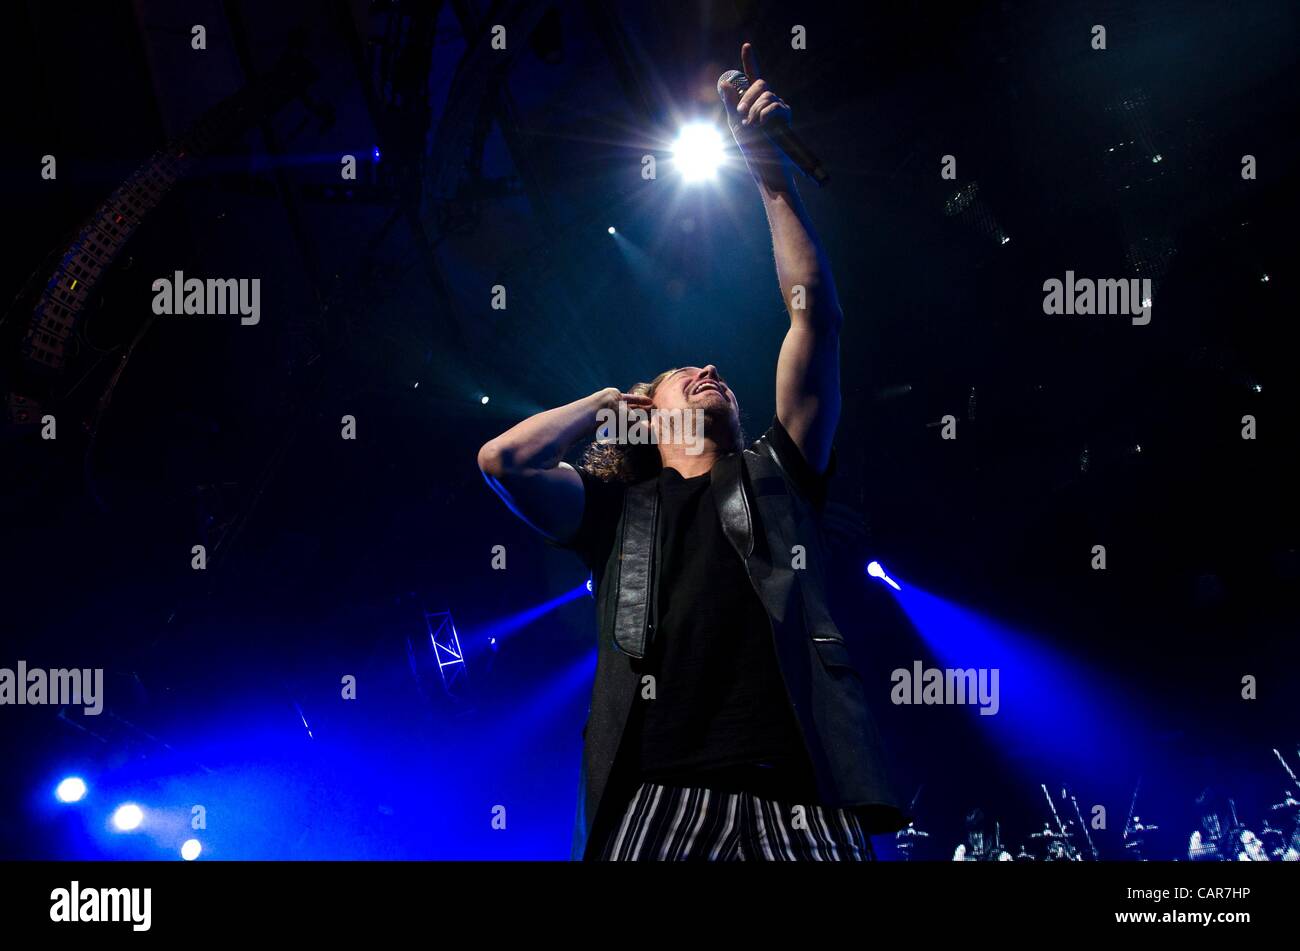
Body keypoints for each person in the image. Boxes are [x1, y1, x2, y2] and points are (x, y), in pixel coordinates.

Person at [478, 42, 904, 860]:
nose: (709, 368)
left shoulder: (780, 470)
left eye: (714, 371)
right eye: (682, 374)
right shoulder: (613, 512)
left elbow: (815, 318)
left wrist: (765, 169)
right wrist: (609, 402)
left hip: (801, 796)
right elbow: (504, 461)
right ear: (649, 411)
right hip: (658, 797)